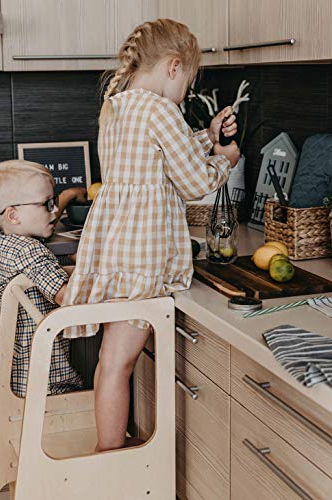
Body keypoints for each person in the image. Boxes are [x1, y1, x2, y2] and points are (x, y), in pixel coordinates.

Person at [63, 18, 240, 452]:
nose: (186, 93)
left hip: (117, 252)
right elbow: (194, 182)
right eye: (189, 82)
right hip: (142, 260)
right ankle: (111, 455)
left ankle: (112, 447)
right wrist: (226, 158)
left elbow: (158, 157)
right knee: (118, 364)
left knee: (111, 363)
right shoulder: (161, 109)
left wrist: (207, 136)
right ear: (174, 67)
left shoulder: (120, 105)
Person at [0, 159, 85, 397]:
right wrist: (88, 265)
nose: (53, 210)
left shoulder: (4, 242)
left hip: (15, 367)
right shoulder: (32, 251)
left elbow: (41, 225)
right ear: (14, 215)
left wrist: (68, 195)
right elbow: (66, 297)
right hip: (46, 373)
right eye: (45, 204)